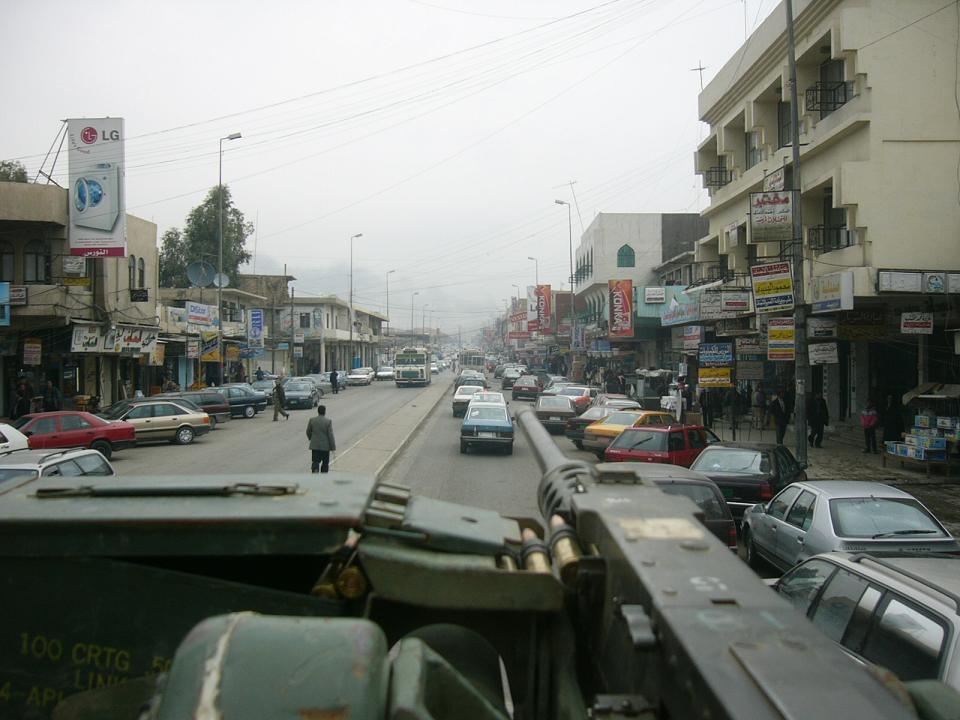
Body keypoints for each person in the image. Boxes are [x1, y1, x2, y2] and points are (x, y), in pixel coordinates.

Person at [306, 404, 336, 473]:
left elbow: (308, 431)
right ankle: (323, 476)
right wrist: (333, 447)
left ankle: (315, 471)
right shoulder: (328, 421)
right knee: (325, 463)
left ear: (318, 411)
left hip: (315, 446)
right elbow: (330, 435)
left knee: (315, 461)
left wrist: (311, 438)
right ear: (324, 412)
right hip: (325, 447)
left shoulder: (312, 420)